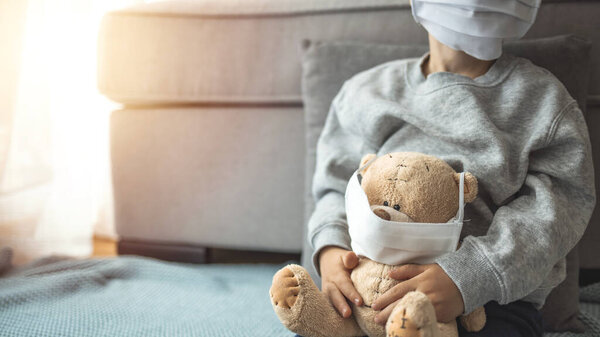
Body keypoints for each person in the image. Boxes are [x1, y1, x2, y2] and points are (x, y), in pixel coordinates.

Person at [308, 1, 596, 336]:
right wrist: (331, 250)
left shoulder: (543, 101)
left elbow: (555, 213)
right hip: (368, 291)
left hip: (491, 308)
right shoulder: (365, 94)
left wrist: (469, 277)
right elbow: (336, 186)